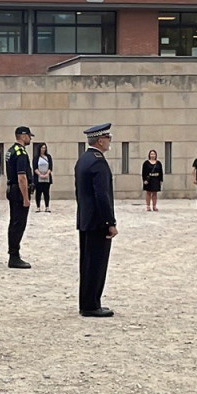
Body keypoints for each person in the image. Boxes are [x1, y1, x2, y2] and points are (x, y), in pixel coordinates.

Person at [76, 123, 118, 317]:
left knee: (86, 264)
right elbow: (102, 196)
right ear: (100, 140)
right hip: (97, 222)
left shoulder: (84, 159)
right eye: (108, 138)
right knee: (96, 264)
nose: (109, 141)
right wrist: (110, 222)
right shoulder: (98, 162)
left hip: (86, 219)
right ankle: (92, 305)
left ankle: (86, 301)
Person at [5, 126, 34, 269]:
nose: (30, 138)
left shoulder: (10, 151)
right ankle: (14, 256)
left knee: (14, 223)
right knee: (18, 224)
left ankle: (13, 253)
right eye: (29, 136)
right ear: (23, 136)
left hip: (12, 190)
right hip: (19, 192)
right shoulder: (21, 152)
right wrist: (26, 198)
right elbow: (22, 177)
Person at [33, 142, 53, 212]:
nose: (43, 149)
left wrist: (47, 174)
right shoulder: (36, 157)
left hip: (47, 178)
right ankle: (38, 207)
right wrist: (40, 174)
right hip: (38, 178)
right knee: (38, 193)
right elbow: (34, 167)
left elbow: (50, 167)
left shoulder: (48, 157)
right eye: (42, 148)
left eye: (44, 148)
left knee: (46, 193)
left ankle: (47, 206)